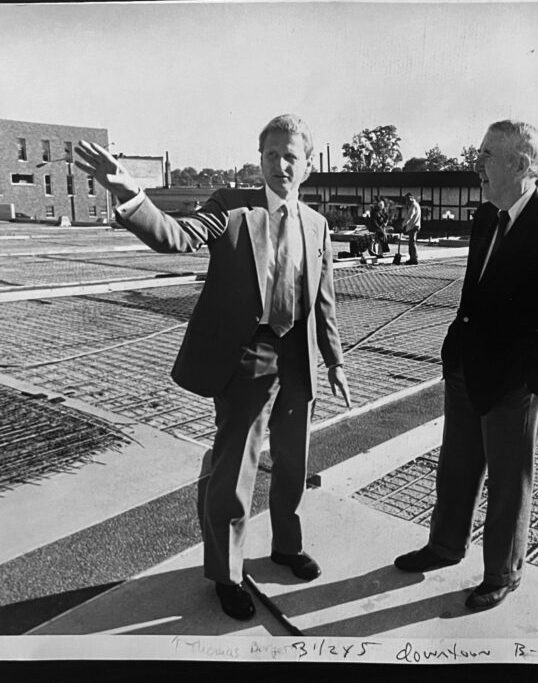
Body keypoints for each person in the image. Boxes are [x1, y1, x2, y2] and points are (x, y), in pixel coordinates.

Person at [74, 114, 352, 622]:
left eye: (291, 156)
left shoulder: (317, 225)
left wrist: (333, 359)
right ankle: (225, 573)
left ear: (308, 166)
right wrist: (128, 191)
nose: (280, 164)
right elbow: (176, 238)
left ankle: (286, 547)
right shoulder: (231, 205)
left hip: (298, 359)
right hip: (249, 356)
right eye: (271, 154)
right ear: (260, 158)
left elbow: (324, 300)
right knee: (235, 469)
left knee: (294, 463)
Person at [393, 120, 538, 611]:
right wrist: (452, 352)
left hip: (514, 383)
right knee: (455, 467)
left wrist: (534, 381)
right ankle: (444, 547)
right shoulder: (485, 217)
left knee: (506, 480)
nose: (477, 166)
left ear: (520, 165)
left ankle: (502, 573)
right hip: (466, 369)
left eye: (487, 157)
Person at [403, 193, 422, 264]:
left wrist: (403, 225)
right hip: (415, 226)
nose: (406, 202)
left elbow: (409, 217)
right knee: (412, 242)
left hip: (413, 227)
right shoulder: (416, 205)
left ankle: (414, 259)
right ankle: (413, 258)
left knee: (412, 243)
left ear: (410, 198)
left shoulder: (413, 206)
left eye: (407, 200)